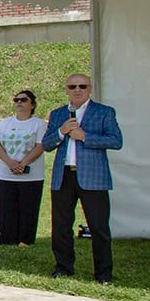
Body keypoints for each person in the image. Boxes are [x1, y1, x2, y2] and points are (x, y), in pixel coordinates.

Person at [41, 73, 123, 283]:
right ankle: (63, 267)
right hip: (64, 175)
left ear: (90, 89)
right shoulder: (58, 114)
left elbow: (116, 141)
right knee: (61, 225)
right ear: (66, 90)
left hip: (93, 177)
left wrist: (85, 136)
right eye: (73, 87)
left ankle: (103, 273)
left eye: (82, 86)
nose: (77, 90)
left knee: (98, 227)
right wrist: (61, 132)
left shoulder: (104, 112)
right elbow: (47, 144)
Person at [0, 89, 48, 247]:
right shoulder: (5, 123)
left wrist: (23, 164)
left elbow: (40, 146)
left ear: (32, 105)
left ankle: (26, 239)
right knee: (7, 208)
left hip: (32, 175)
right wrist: (10, 163)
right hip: (7, 173)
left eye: (23, 100)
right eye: (16, 100)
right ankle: (6, 239)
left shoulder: (39, 124)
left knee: (28, 208)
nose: (19, 103)